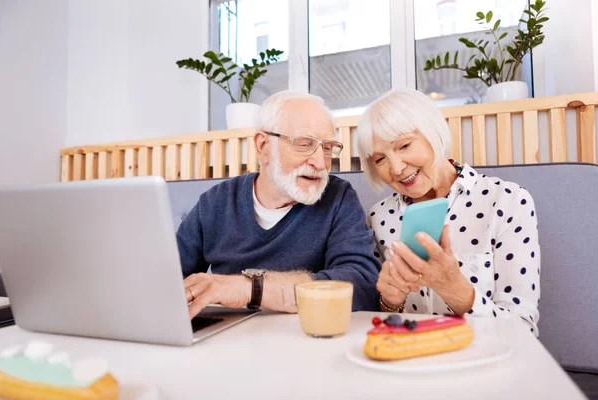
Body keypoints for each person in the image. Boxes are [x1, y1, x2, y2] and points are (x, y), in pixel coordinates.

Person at [177, 91, 381, 318]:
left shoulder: (338, 197)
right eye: (304, 144)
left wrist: (249, 288)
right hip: (227, 342)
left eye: (327, 148)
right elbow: (167, 278)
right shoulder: (216, 202)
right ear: (263, 146)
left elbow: (362, 286)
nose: (321, 163)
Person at [355, 88, 540, 335]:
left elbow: (523, 330)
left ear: (433, 132)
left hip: (486, 363)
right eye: (380, 160)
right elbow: (380, 326)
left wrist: (455, 289)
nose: (396, 168)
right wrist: (390, 301)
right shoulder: (378, 218)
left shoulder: (507, 201)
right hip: (409, 364)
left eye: (404, 146)